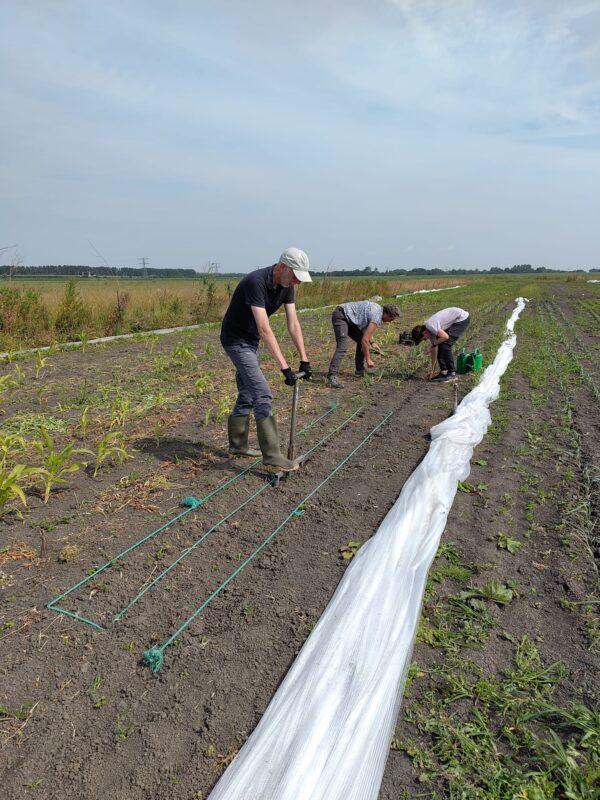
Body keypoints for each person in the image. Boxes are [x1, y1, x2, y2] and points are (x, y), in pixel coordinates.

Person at [220, 248, 312, 472]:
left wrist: (304, 359)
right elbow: (264, 329)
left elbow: (293, 324)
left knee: (248, 392)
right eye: (294, 276)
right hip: (236, 340)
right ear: (282, 267)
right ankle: (272, 455)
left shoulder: (286, 286)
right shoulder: (256, 282)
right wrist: (284, 367)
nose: (296, 282)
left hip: (250, 341)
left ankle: (238, 445)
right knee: (262, 392)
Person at [326, 301, 400, 388]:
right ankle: (332, 377)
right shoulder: (376, 317)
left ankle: (360, 370)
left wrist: (372, 342)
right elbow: (365, 340)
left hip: (350, 319)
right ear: (387, 314)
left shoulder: (377, 309)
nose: (389, 322)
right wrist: (368, 360)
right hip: (341, 316)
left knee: (361, 340)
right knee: (342, 347)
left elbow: (364, 330)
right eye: (391, 319)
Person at [411, 306, 470, 381]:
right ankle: (444, 372)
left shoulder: (431, 325)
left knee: (445, 344)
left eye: (424, 339)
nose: (425, 340)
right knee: (441, 344)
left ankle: (452, 373)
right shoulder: (431, 332)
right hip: (456, 318)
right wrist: (432, 371)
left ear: (424, 332)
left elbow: (445, 337)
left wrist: (431, 345)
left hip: (461, 318)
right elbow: (434, 351)